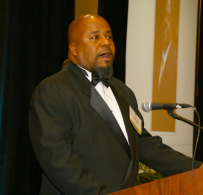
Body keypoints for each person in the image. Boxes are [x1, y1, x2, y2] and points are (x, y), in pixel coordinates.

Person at [29, 14, 202, 195]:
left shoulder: (123, 91)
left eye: (109, 37)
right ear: (73, 49)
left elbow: (143, 144)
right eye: (95, 37)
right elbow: (58, 161)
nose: (106, 42)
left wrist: (197, 169)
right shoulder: (53, 91)